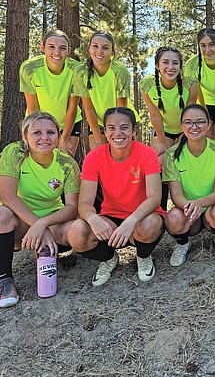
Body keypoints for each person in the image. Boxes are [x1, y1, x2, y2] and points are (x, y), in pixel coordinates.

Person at [0, 112, 80, 308]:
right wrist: (38, 226)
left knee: (79, 230)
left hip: (53, 224)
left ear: (58, 137)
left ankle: (48, 253)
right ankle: (4, 281)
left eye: (51, 132)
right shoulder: (14, 152)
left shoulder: (67, 163)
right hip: (22, 225)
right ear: (24, 136)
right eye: (37, 132)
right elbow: (7, 197)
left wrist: (44, 224)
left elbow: (72, 207)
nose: (44, 137)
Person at [68, 107, 163, 286]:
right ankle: (109, 259)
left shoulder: (147, 153)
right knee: (76, 233)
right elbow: (84, 203)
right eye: (111, 128)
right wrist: (92, 218)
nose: (117, 133)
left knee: (148, 225)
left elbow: (154, 198)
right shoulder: (93, 157)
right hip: (110, 218)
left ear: (134, 131)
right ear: (105, 131)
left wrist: (131, 221)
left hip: (142, 217)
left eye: (124, 127)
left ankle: (143, 256)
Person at [163, 104, 215, 266]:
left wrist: (199, 203)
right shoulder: (171, 155)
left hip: (213, 210)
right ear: (182, 126)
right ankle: (182, 244)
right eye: (188, 122)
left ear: (209, 125)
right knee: (173, 218)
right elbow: (176, 195)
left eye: (200, 122)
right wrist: (190, 206)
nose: (194, 127)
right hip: (188, 212)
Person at [19, 29, 83, 156]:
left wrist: (63, 139)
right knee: (40, 159)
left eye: (62, 48)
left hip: (68, 123)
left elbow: (72, 107)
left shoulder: (76, 70)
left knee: (64, 161)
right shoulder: (29, 68)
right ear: (42, 47)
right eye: (51, 47)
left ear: (68, 51)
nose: (57, 52)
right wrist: (39, 131)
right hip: (38, 122)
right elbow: (33, 107)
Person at [74, 30, 134, 150]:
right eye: (95, 46)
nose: (99, 52)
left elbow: (121, 109)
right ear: (89, 47)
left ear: (112, 51)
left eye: (105, 48)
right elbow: (88, 108)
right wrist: (97, 136)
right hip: (99, 123)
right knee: (99, 158)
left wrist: (117, 132)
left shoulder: (120, 71)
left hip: (123, 121)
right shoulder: (81, 72)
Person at [140, 46, 197, 165]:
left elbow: (190, 116)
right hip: (163, 130)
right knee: (159, 161)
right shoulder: (147, 85)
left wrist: (183, 139)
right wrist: (162, 143)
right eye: (165, 62)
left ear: (180, 67)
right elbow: (155, 115)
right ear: (157, 65)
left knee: (182, 159)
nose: (170, 67)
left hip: (185, 129)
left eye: (175, 63)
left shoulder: (191, 84)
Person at [183, 28, 215, 143]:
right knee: (207, 138)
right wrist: (207, 119)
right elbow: (197, 94)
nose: (207, 50)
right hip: (204, 105)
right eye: (203, 46)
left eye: (211, 45)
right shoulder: (192, 65)